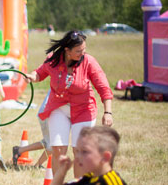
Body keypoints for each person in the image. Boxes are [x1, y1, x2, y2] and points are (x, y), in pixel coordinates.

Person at [26, 31, 113, 176]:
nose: (82, 53)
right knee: (58, 150)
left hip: (84, 109)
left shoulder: (88, 61)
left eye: (84, 49)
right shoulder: (53, 59)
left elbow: (103, 87)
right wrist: (31, 76)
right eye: (78, 51)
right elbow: (40, 73)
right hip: (59, 108)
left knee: (80, 151)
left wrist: (108, 112)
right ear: (67, 50)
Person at [11, 90, 51, 169]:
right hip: (48, 113)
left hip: (49, 112)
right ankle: (37, 166)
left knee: (47, 142)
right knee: (54, 144)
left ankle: (19, 150)